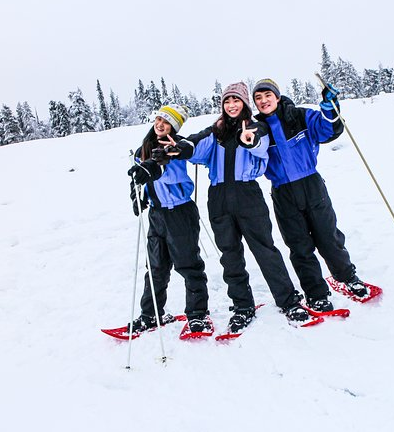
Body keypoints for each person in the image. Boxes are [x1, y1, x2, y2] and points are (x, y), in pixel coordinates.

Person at [160, 82, 311, 332]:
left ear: (244, 104)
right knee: (230, 255)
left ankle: (288, 301)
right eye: (227, 101)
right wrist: (182, 147)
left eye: (236, 101)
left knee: (265, 249)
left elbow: (260, 143)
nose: (231, 105)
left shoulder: (255, 126)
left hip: (247, 194)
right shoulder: (215, 131)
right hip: (218, 197)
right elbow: (196, 144)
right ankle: (242, 306)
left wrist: (249, 141)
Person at [251, 78, 374, 311]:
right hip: (283, 192)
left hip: (311, 185)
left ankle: (347, 277)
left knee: (328, 236)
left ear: (277, 96)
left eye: (267, 95)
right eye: (258, 98)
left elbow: (328, 129)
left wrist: (329, 106)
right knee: (299, 245)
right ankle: (315, 292)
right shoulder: (260, 129)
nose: (263, 101)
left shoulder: (299, 116)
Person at [127, 104, 211, 335]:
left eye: (167, 122)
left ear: (174, 127)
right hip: (157, 214)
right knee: (155, 268)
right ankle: (150, 314)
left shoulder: (178, 147)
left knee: (188, 265)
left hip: (180, 213)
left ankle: (198, 315)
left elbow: (165, 171)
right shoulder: (142, 149)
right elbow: (140, 175)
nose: (160, 124)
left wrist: (151, 170)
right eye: (159, 119)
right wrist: (137, 193)